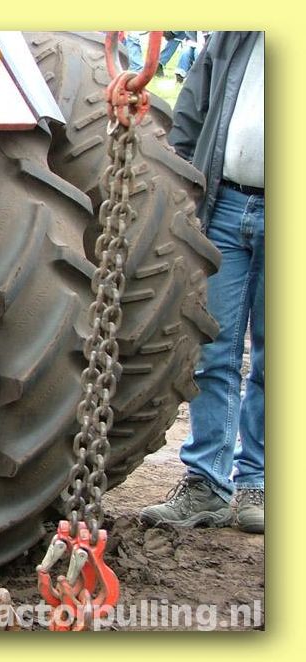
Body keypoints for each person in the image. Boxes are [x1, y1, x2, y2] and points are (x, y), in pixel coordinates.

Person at [140, 31, 264, 534]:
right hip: (226, 204)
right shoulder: (236, 32)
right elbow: (190, 115)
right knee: (213, 347)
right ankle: (207, 482)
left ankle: (258, 481)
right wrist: (181, 191)